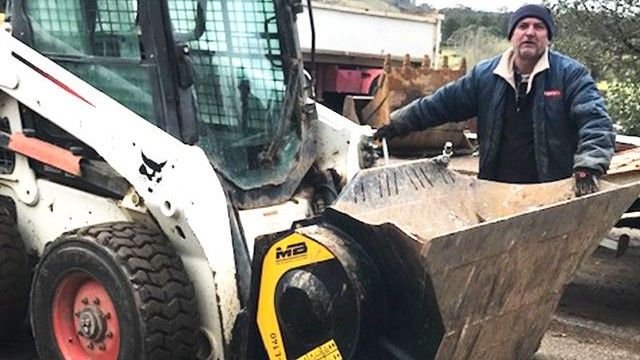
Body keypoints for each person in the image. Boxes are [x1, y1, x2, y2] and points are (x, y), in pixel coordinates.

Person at [374, 4, 615, 197]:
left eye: (539, 27)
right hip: (495, 191)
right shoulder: (485, 76)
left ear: (548, 37)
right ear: (512, 35)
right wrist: (394, 125)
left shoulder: (570, 75)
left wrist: (588, 166)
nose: (530, 32)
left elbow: (595, 120)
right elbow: (439, 105)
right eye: (523, 26)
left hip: (551, 191)